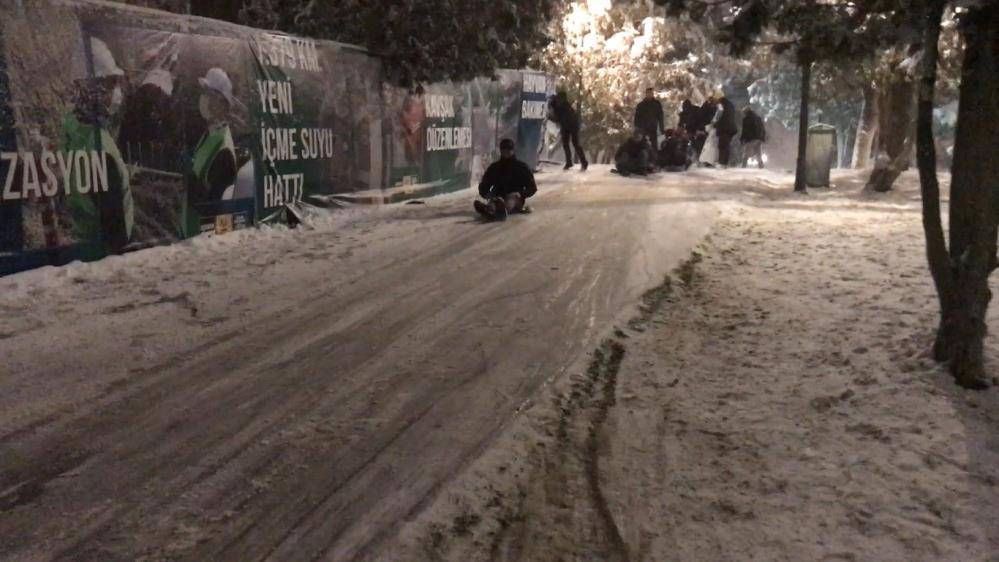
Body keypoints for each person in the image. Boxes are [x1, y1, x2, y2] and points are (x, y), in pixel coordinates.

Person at [474, 138, 537, 220]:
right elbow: (485, 183)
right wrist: (486, 193)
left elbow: (532, 187)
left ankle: (500, 210)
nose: (506, 152)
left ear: (513, 150)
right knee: (496, 200)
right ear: (500, 151)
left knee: (510, 200)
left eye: (508, 150)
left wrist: (521, 194)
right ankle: (490, 209)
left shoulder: (521, 167)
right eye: (503, 150)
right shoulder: (495, 167)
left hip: (515, 197)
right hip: (498, 195)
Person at [548, 90, 588, 171]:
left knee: (574, 144)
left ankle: (583, 162)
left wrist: (550, 117)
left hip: (571, 126)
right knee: (566, 144)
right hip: (567, 126)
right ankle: (570, 162)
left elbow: (558, 118)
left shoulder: (564, 107)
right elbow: (558, 117)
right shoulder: (560, 105)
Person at [712, 90, 739, 166]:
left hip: (726, 128)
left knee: (723, 145)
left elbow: (724, 117)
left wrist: (716, 124)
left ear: (719, 98)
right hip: (729, 128)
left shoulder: (723, 105)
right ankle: (724, 162)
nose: (715, 101)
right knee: (725, 145)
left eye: (716, 99)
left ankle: (723, 163)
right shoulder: (729, 104)